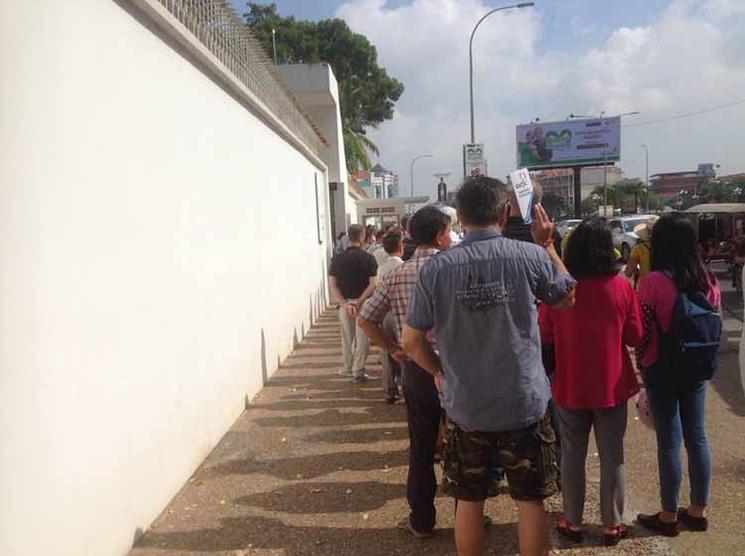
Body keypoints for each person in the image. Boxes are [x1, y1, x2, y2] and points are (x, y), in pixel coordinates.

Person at [402, 176, 576, 556]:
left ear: (460, 217)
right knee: (530, 501)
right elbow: (567, 298)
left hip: (467, 409)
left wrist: (438, 372)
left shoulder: (435, 270)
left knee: (469, 499)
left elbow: (410, 342)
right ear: (504, 212)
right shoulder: (529, 255)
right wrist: (547, 244)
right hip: (523, 405)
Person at [539, 218, 643, 547]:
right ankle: (613, 524)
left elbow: (544, 333)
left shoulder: (560, 288)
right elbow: (635, 335)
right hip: (612, 385)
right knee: (613, 456)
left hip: (570, 385)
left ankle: (573, 521)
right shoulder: (622, 287)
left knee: (571, 454)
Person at [357, 206, 452, 537]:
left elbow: (365, 318)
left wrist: (392, 348)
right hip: (456, 368)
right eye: (450, 231)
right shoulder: (456, 270)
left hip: (415, 368)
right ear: (441, 235)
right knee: (462, 444)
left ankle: (422, 518)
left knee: (421, 446)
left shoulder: (395, 275)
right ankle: (467, 515)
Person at [636, 213, 721, 537]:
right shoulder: (709, 279)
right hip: (698, 367)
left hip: (661, 367)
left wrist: (642, 364)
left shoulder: (653, 282)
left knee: (669, 441)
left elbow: (643, 332)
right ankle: (698, 510)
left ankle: (669, 515)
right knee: (697, 436)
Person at [328, 224, 378, 383]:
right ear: (363, 236)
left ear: (349, 237)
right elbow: (373, 284)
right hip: (364, 303)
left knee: (347, 337)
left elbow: (333, 284)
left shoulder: (337, 259)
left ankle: (347, 367)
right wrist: (360, 301)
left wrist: (344, 303)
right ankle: (358, 370)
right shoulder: (369, 258)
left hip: (345, 303)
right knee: (362, 338)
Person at [624, 216, 658, 287]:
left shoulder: (639, 248)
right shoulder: (670, 246)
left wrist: (637, 271)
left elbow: (628, 272)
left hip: (646, 286)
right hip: (667, 289)